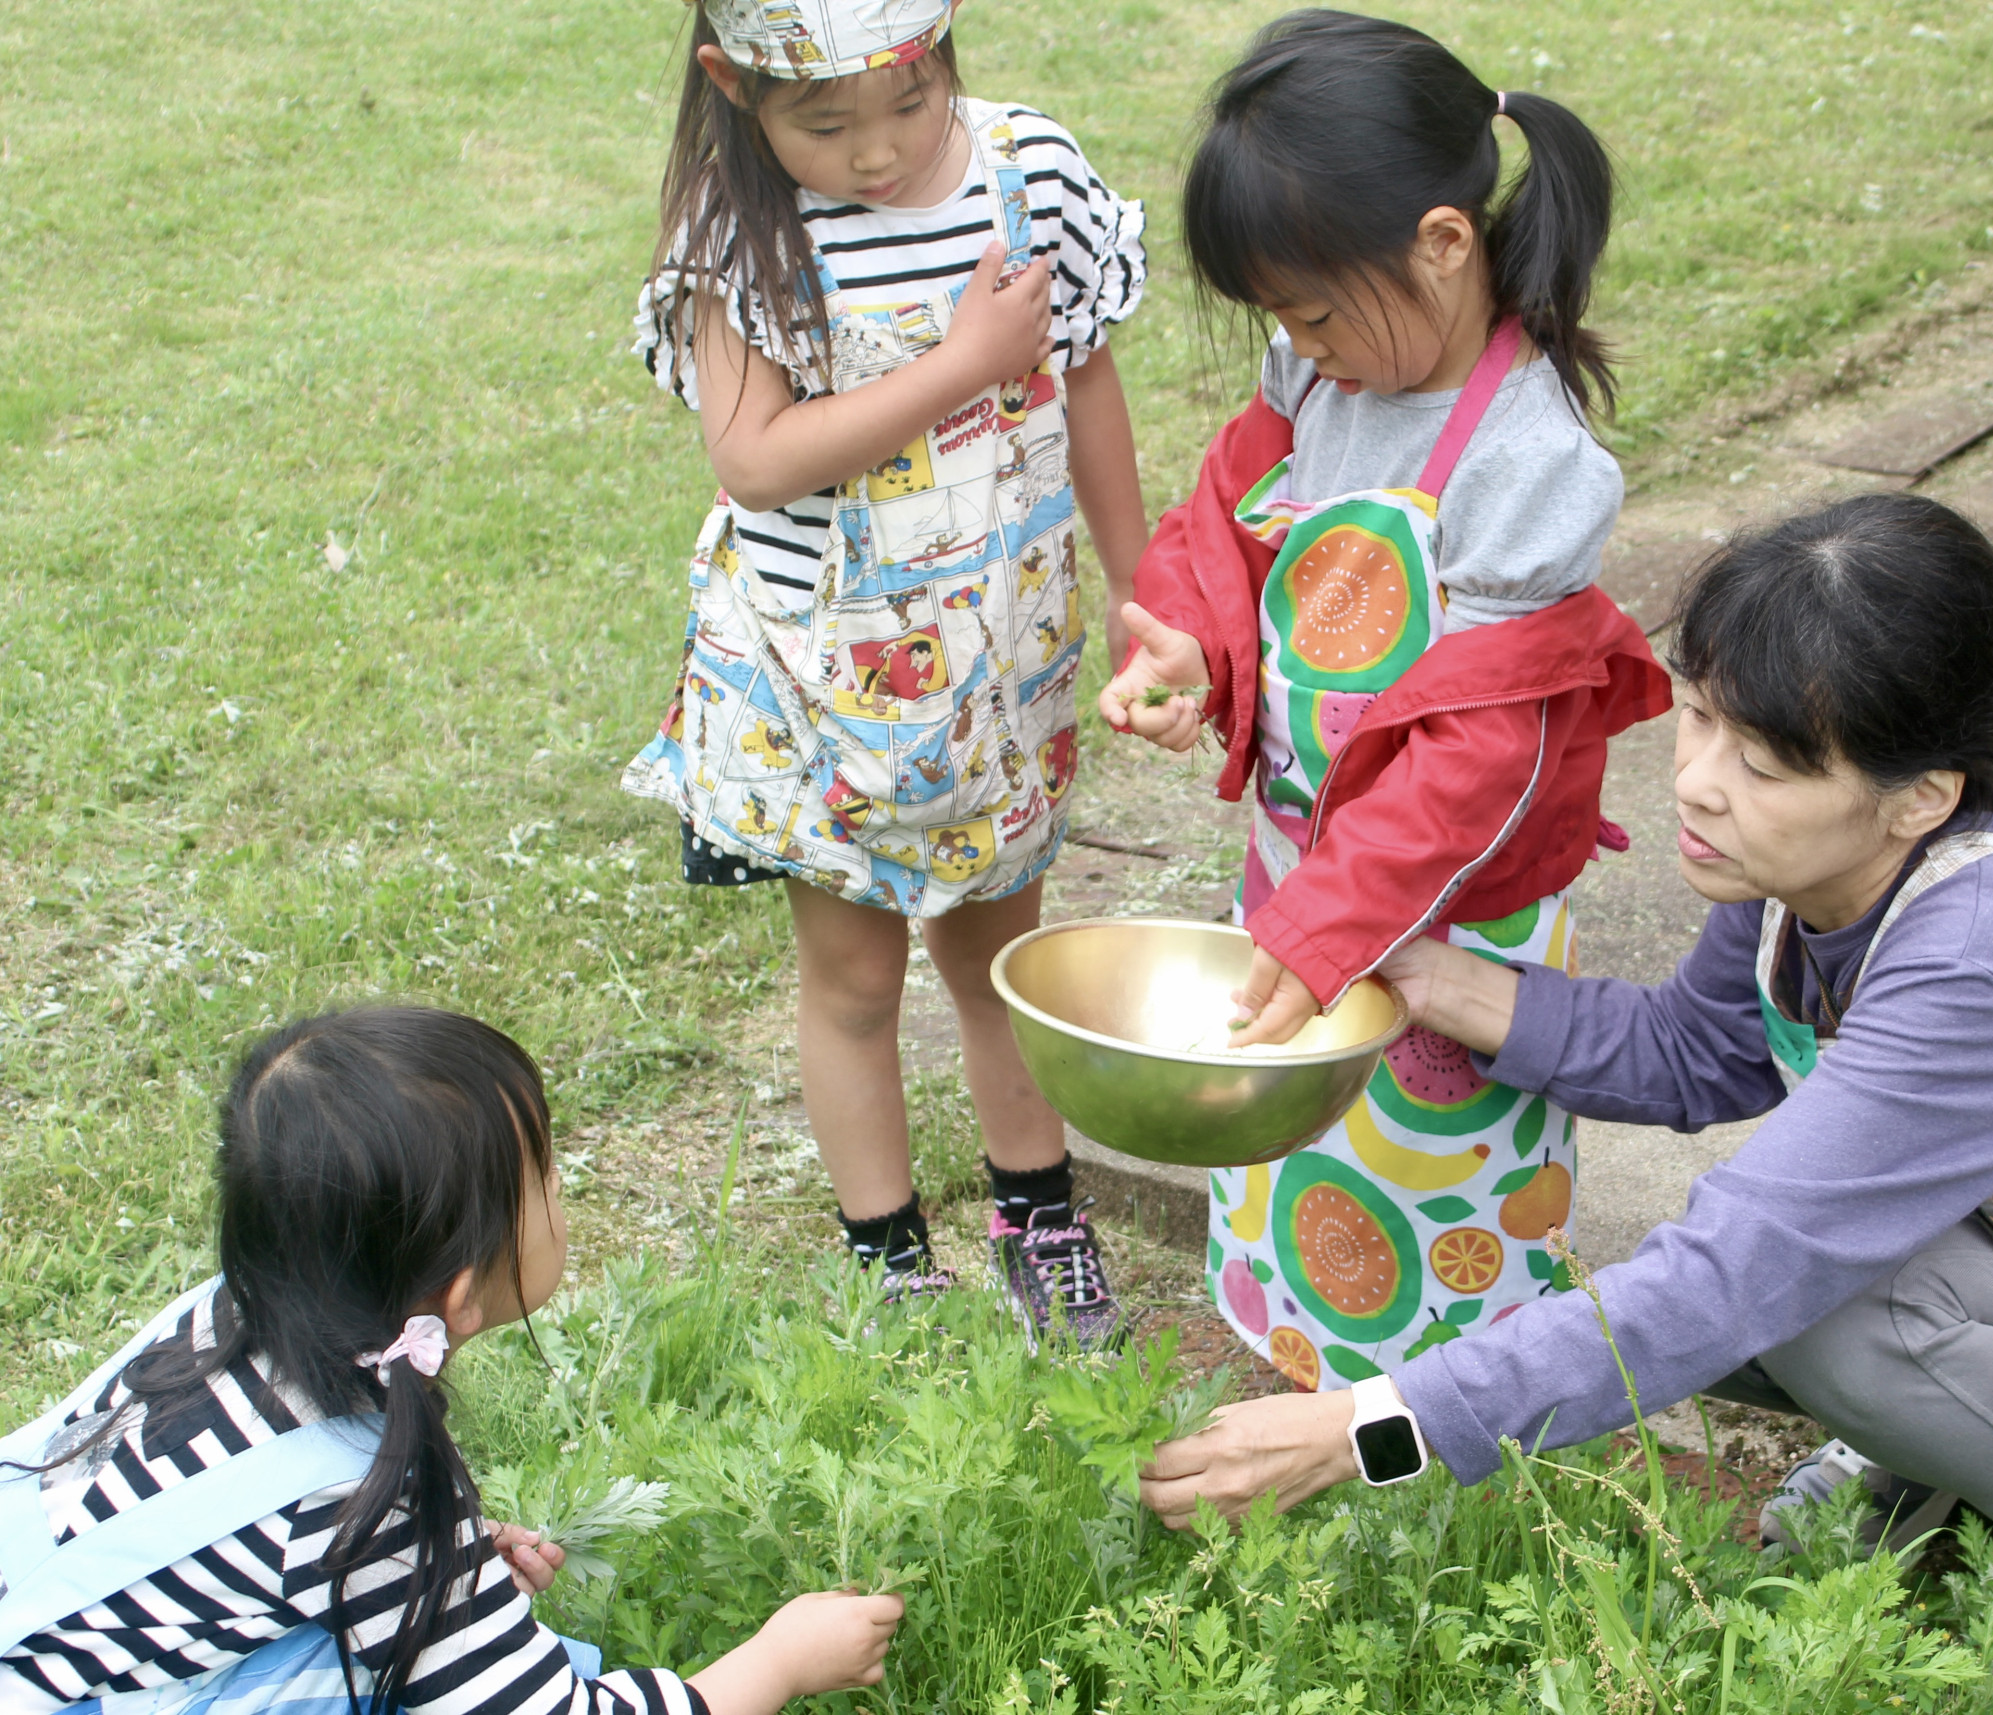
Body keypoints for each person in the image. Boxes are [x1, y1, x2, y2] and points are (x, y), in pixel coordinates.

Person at [1136, 494, 1993, 1711]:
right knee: (1779, 1287)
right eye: (1696, 719)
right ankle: (1941, 1457)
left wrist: (1365, 1430)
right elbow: (1699, 1052)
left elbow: (1734, 1272)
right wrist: (1432, 980)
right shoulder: (1806, 861)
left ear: (1925, 794)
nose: (1696, 781)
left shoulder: (1988, 951)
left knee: (1822, 1309)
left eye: (1768, 761)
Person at [1098, 10, 1670, 1385]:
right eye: (1277, 317)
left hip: (1451, 920)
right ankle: (1305, 1401)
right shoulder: (1319, 376)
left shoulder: (1527, 463)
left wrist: (1328, 933)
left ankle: (1456, 1452)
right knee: (1294, 1172)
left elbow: (1476, 760)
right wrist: (1189, 646)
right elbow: (1226, 529)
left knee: (1440, 1204)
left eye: (1308, 306)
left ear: (1442, 244)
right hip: (1302, 882)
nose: (1293, 341)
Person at [619, 0, 1150, 1337]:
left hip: (998, 655)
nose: (875, 153)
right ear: (733, 87)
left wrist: (1149, 586)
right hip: (822, 675)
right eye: (826, 123)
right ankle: (889, 1254)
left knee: (996, 959)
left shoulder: (1030, 176)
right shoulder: (738, 231)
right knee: (855, 978)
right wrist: (967, 362)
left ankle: (1039, 1210)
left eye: (909, 106)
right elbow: (754, 458)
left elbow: (1085, 385)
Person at [0, 1008, 900, 1715]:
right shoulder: (362, 1505)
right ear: (461, 1295)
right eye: (546, 1173)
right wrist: (781, 1660)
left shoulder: (229, 1312)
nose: (559, 1186)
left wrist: (444, 1566)